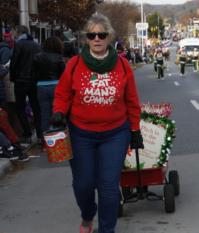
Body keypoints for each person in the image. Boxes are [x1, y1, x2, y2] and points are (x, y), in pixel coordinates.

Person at [51, 13, 144, 233]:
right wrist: (58, 112)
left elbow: (132, 101)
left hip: (115, 134)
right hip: (81, 133)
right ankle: (87, 214)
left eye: (101, 34)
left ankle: (106, 229)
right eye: (92, 35)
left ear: (109, 37)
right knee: (83, 185)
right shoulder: (75, 64)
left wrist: (135, 130)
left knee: (109, 188)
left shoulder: (122, 65)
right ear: (86, 38)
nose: (97, 39)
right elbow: (62, 94)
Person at [9, 25, 42, 144]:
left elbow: (14, 62)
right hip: (34, 81)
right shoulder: (36, 45)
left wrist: (13, 77)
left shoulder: (18, 44)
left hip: (21, 81)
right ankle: (39, 134)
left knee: (20, 107)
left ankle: (27, 134)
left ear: (18, 32)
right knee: (36, 108)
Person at [32, 36, 65, 140]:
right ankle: (58, 138)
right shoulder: (59, 58)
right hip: (56, 86)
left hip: (41, 87)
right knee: (57, 112)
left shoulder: (37, 57)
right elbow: (64, 75)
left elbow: (33, 73)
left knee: (44, 114)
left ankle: (45, 140)